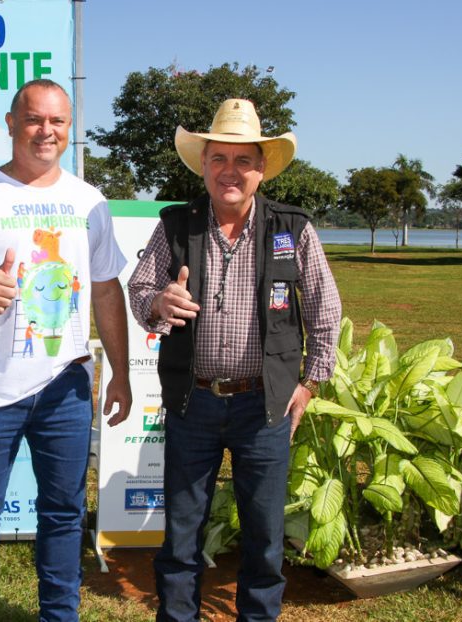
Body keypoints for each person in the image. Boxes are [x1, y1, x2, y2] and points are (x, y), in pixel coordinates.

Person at [127, 99, 341, 621]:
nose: (230, 171)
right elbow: (138, 291)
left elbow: (326, 311)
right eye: (219, 158)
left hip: (264, 407)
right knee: (180, 532)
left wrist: (310, 384)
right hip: (191, 401)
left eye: (243, 160)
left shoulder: (292, 230)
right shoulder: (176, 227)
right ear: (203, 165)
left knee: (265, 537)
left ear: (261, 169)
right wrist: (158, 302)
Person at [0, 78, 132, 622]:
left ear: (69, 129)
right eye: (36, 119)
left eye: (58, 121)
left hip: (66, 386)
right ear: (12, 122)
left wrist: (120, 372)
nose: (47, 131)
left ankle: (59, 616)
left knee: (64, 514)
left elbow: (107, 287)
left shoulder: (89, 201)